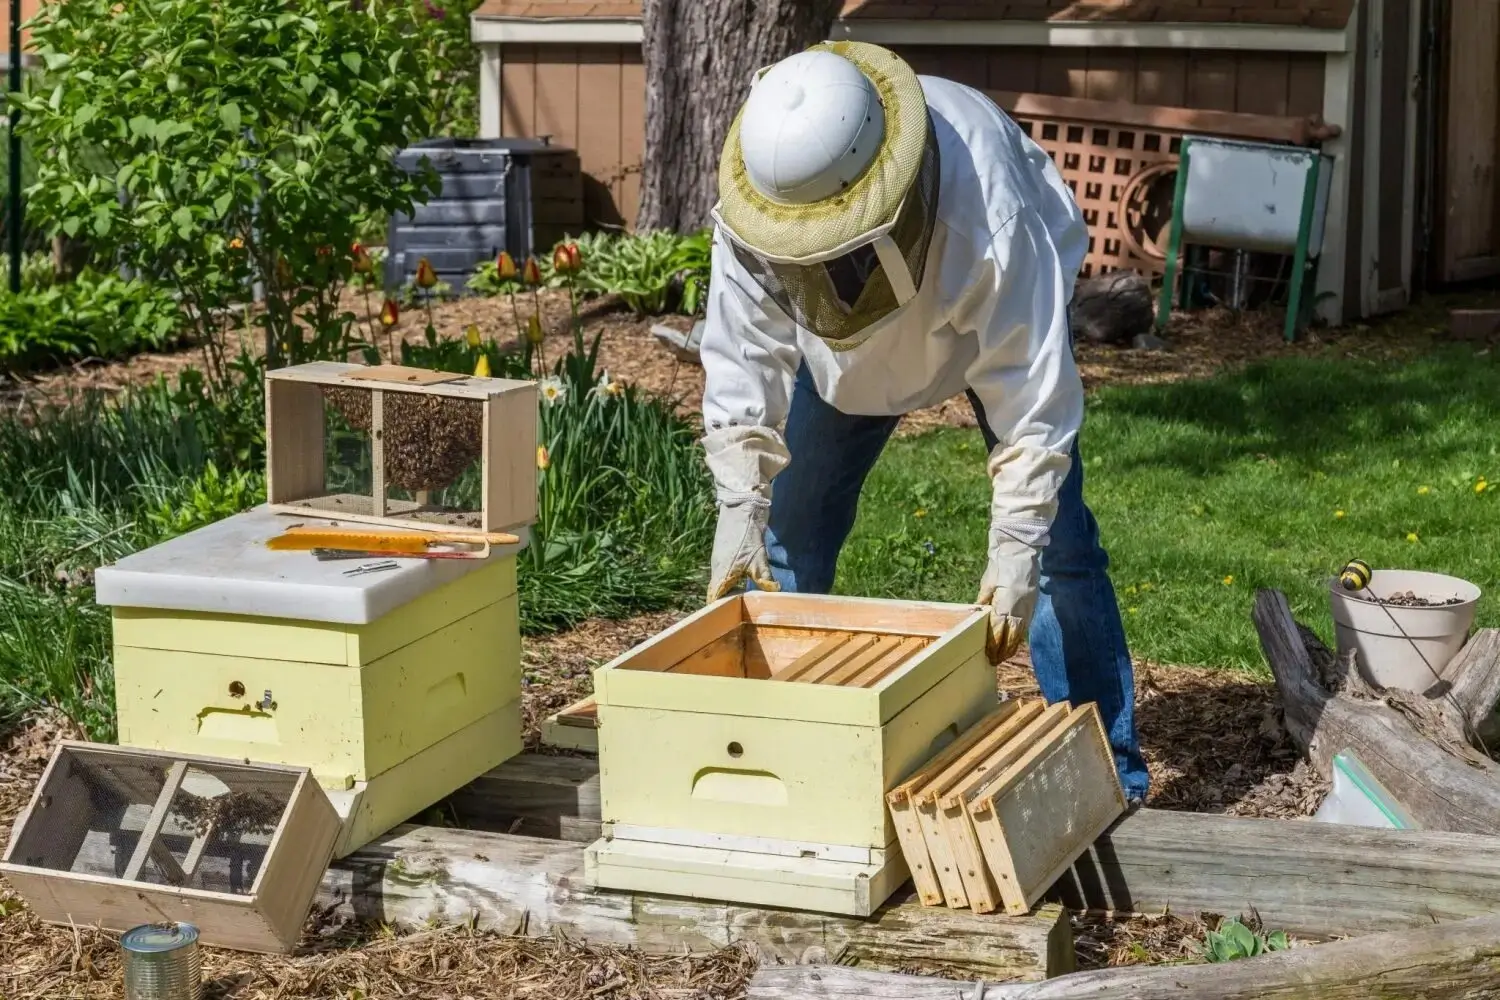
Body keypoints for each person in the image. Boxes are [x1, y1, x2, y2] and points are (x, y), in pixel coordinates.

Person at [696, 41, 1148, 802]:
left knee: (1058, 550)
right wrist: (741, 505)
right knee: (786, 541)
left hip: (981, 330)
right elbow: (743, 355)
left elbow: (1033, 411)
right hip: (842, 371)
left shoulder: (993, 215)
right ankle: (771, 770)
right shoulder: (761, 203)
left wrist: (1012, 557)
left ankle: (1109, 778)